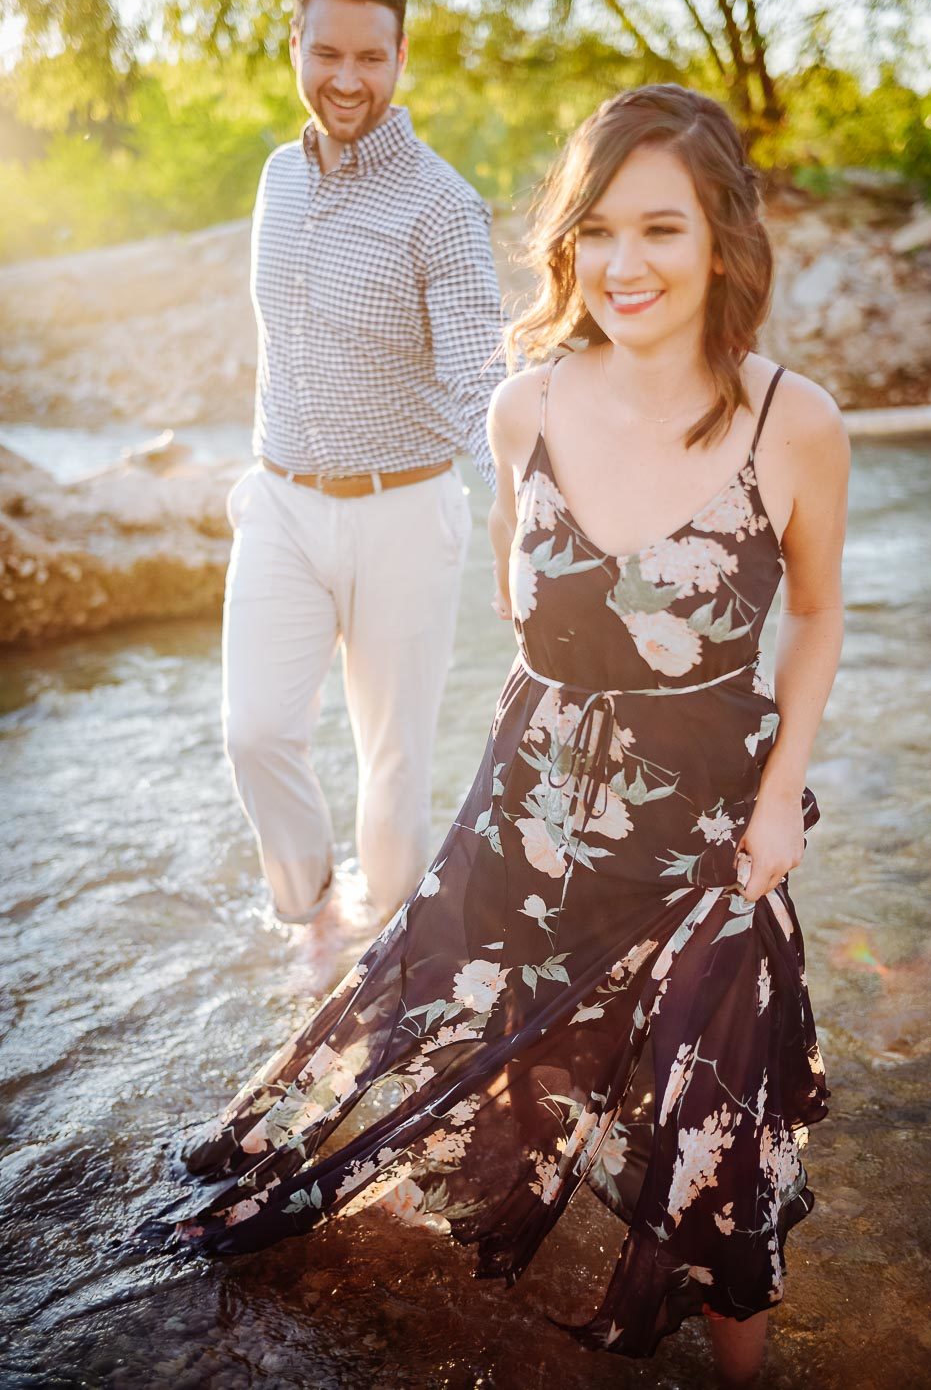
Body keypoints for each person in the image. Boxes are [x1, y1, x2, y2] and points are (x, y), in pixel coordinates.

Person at [156, 85, 847, 1388]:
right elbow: (523, 621)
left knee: (714, 1123)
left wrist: (779, 800)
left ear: (722, 246)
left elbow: (816, 614)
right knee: (468, 1058)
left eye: (663, 230)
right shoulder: (520, 410)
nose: (626, 265)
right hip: (530, 805)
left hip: (712, 835)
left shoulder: (788, 422)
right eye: (599, 231)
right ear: (567, 243)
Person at [222, 0, 504, 929]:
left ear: (400, 55)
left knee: (392, 769)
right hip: (280, 505)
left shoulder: (441, 205)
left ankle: (385, 967)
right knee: (255, 733)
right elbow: (280, 341)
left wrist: (520, 501)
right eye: (326, 52)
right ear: (293, 45)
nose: (347, 79)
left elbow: (480, 376)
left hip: (405, 512)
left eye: (370, 58)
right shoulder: (274, 180)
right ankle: (304, 927)